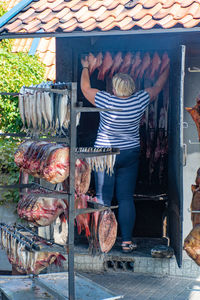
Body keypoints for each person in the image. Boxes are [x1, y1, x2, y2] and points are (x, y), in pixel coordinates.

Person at [81, 56, 169, 253]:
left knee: (103, 198)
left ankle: (100, 243)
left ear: (114, 88)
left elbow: (85, 89)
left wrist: (86, 67)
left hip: (105, 155)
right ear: (131, 87)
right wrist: (167, 67)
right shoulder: (139, 100)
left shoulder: (105, 99)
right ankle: (126, 242)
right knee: (125, 198)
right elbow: (158, 86)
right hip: (129, 153)